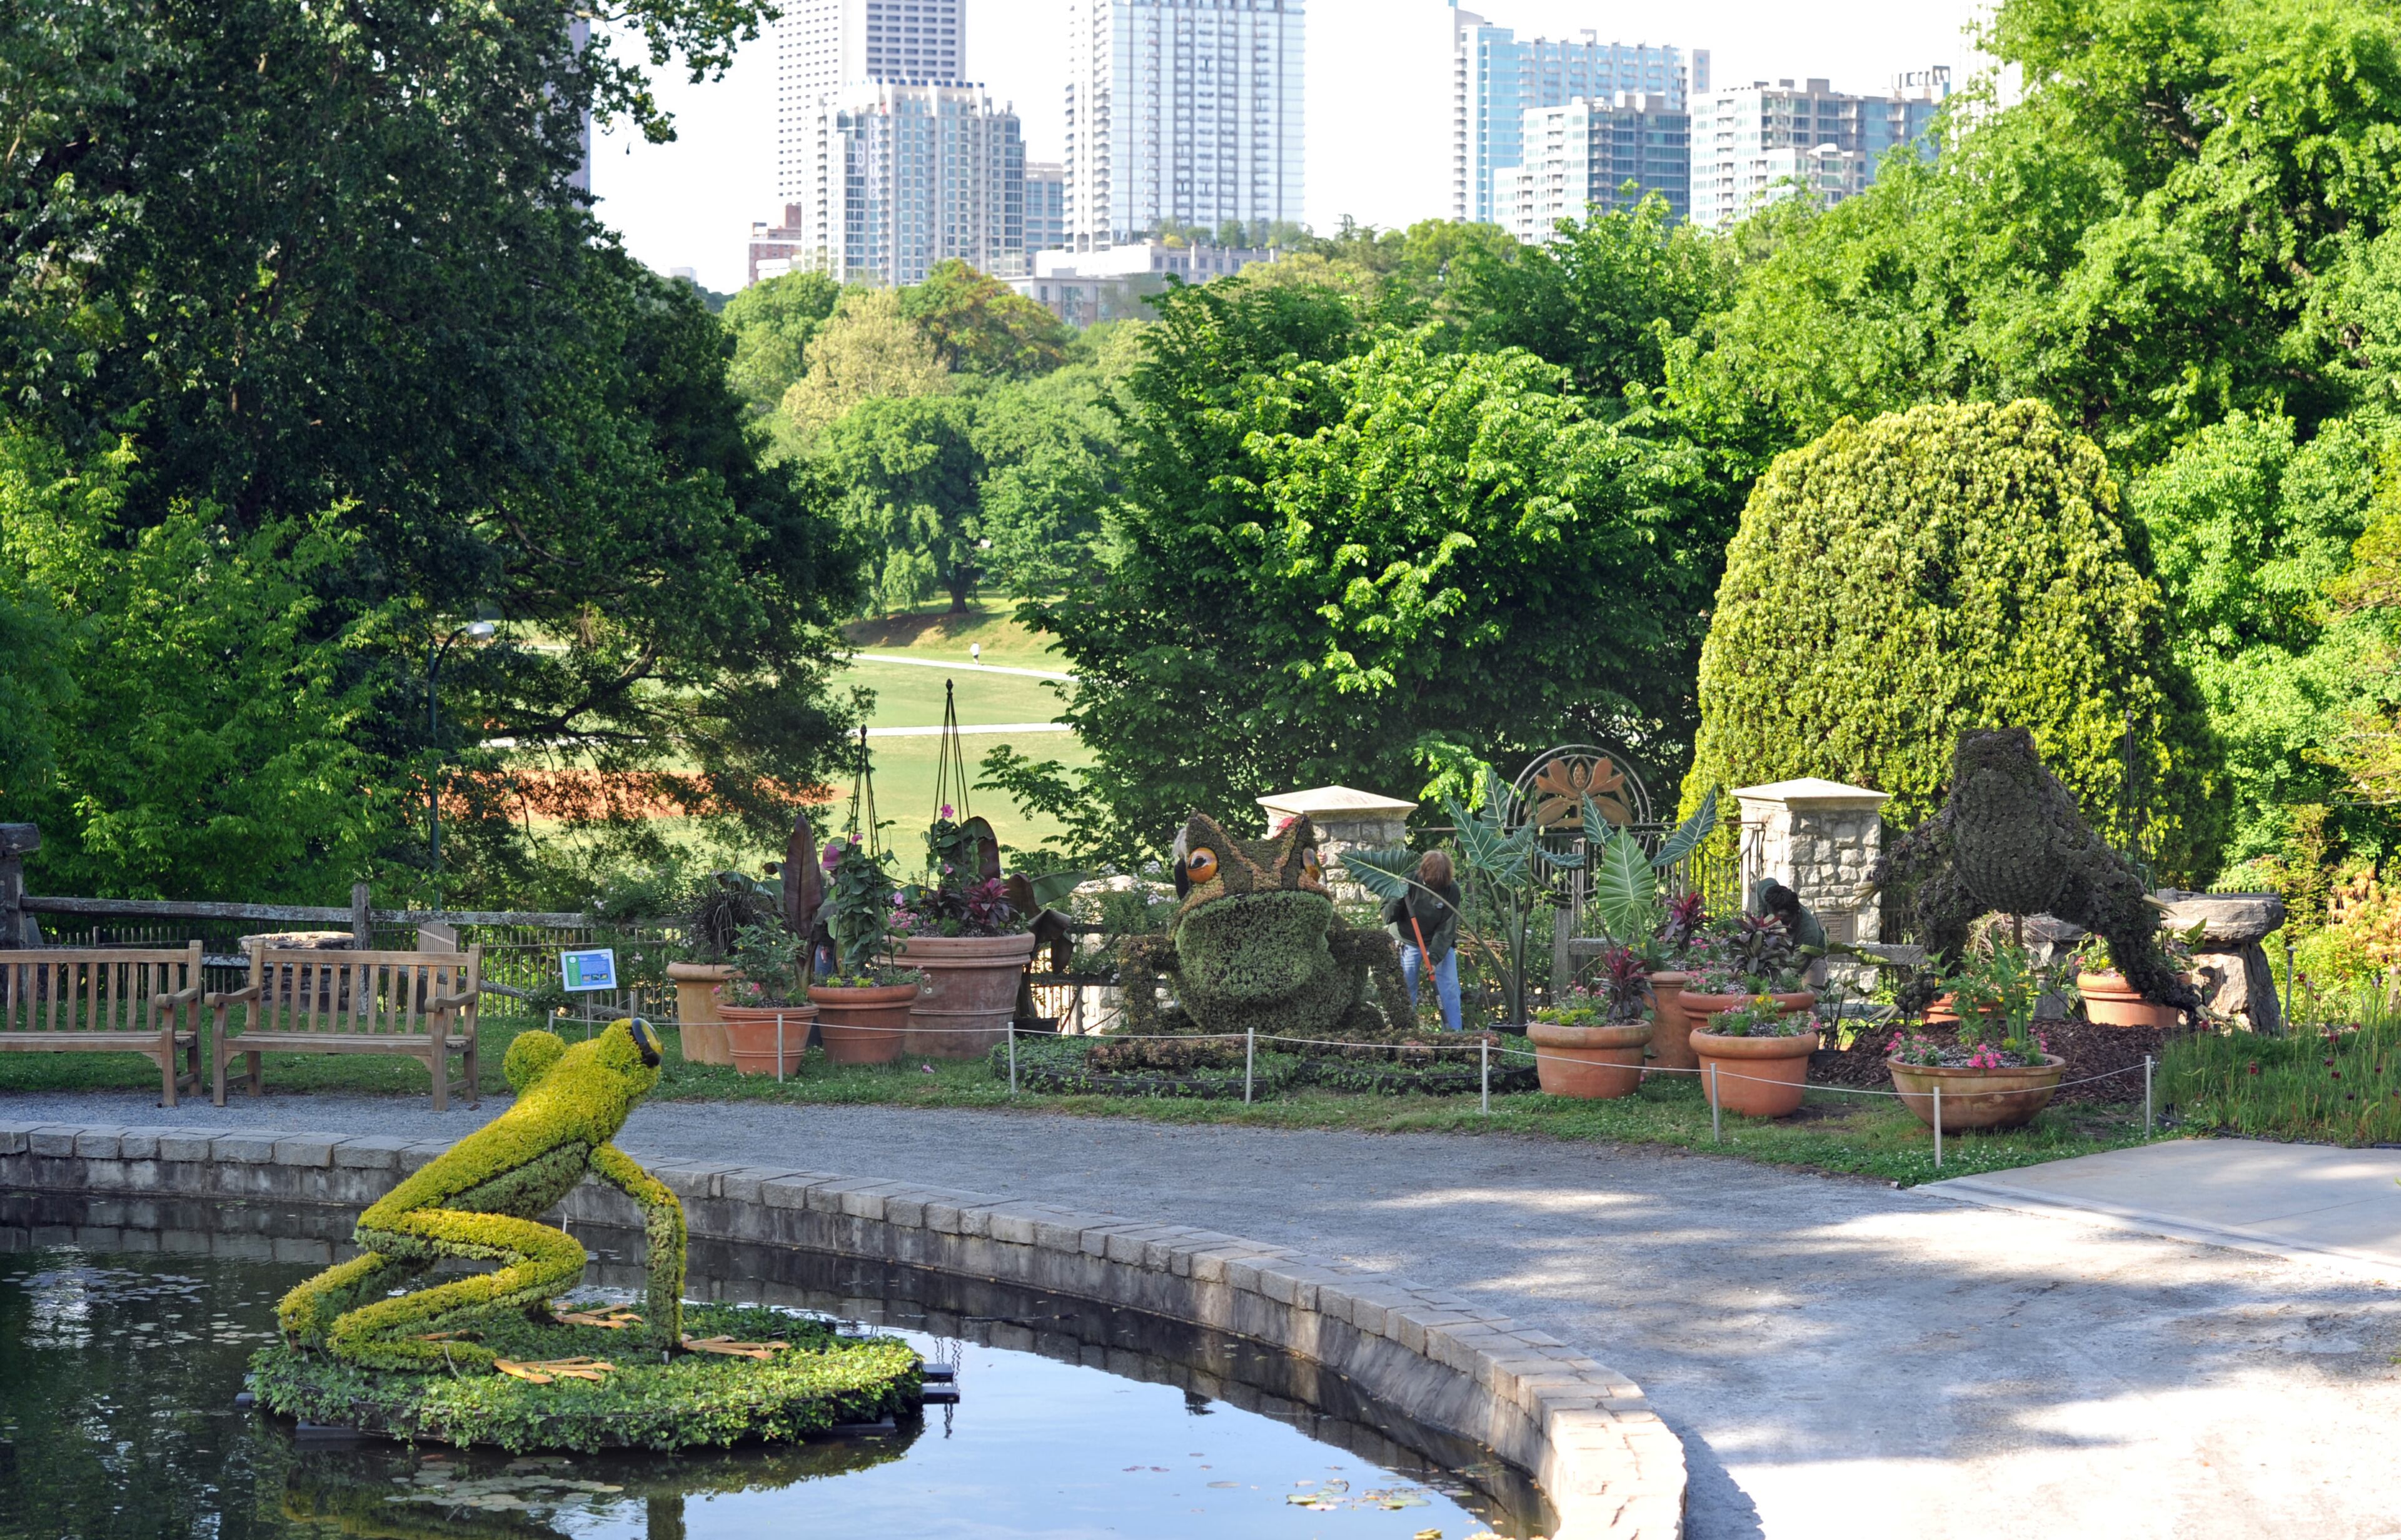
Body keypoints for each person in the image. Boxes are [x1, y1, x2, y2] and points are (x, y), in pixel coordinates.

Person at [1382, 850, 1463, 1032]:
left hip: (1437, 942)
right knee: (1405, 990)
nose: (1435, 889)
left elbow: (1446, 929)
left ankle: (1454, 1035)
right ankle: (1404, 1033)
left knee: (1449, 989)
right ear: (1422, 873)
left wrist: (1433, 959)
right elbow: (1386, 916)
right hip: (1406, 940)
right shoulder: (1406, 880)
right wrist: (1398, 895)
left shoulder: (1452, 890)